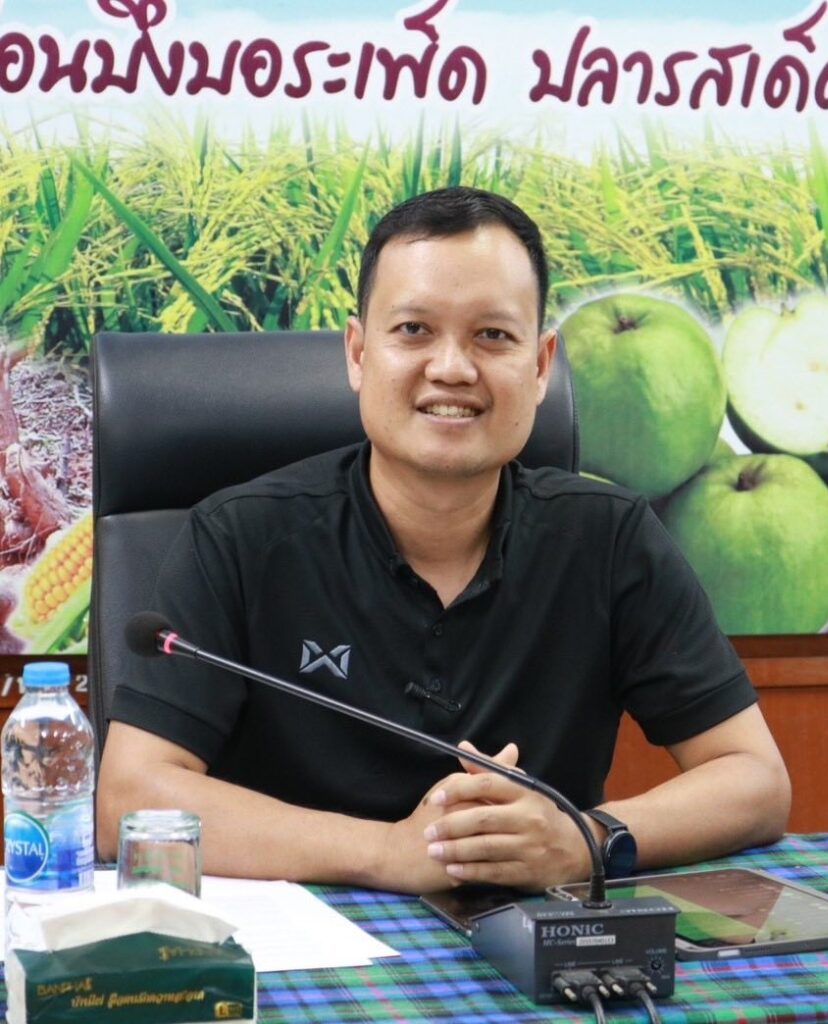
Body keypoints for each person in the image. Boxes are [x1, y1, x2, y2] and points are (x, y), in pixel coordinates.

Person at [96, 186, 790, 893]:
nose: (452, 368)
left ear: (541, 365)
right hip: (302, 937)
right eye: (413, 330)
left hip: (534, 933)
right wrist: (386, 852)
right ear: (358, 353)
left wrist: (584, 838)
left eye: (493, 335)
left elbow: (754, 779)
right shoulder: (238, 537)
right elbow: (128, 799)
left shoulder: (609, 539)